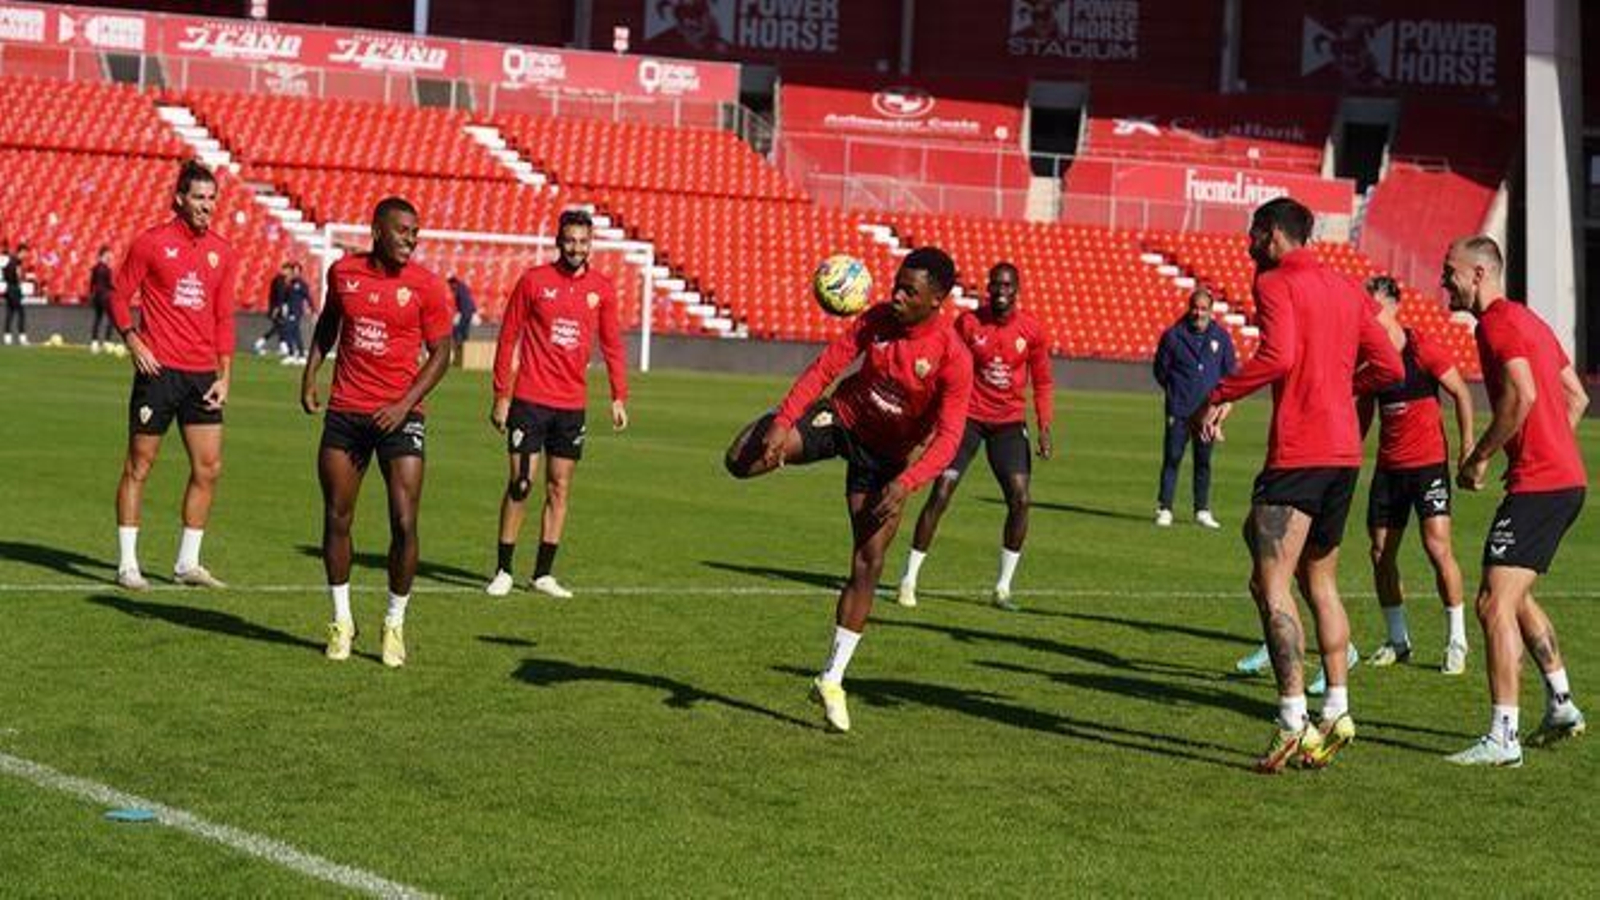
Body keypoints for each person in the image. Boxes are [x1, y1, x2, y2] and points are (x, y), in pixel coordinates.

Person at [1191, 198, 1403, 773]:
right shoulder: (1346, 288)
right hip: (1343, 454)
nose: (1247, 245)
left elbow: (1279, 355)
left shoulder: (1275, 281)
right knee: (1318, 580)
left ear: (1272, 234)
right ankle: (1337, 710)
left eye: (1252, 234)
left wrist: (1220, 393)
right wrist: (1337, 385)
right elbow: (1390, 367)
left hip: (1300, 452)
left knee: (1272, 584)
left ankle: (1291, 720)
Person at [724, 247, 973, 733]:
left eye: (909, 291)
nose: (896, 296)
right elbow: (825, 367)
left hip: (886, 462)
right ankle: (781, 440)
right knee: (740, 459)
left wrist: (906, 483)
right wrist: (783, 421)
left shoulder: (952, 357)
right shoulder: (876, 320)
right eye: (896, 285)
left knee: (869, 562)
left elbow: (948, 439)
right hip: (841, 420)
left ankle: (831, 678)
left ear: (936, 300)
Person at [1441, 236, 1588, 767]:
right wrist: (1546, 448)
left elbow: (1523, 394)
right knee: (1516, 596)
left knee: (1491, 603)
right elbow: (1577, 397)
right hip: (1562, 481)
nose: (1444, 282)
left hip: (1541, 485)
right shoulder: (1532, 321)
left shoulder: (1497, 323)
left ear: (1479, 274)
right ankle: (1562, 702)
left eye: (1450, 271)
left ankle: (1503, 737)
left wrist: (1480, 456)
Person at [302, 197, 454, 669]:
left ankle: (394, 623)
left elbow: (442, 352)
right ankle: (341, 620)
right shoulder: (343, 273)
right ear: (377, 230)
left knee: (405, 522)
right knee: (337, 517)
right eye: (403, 230)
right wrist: (310, 374)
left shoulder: (427, 286)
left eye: (415, 231)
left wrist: (404, 404)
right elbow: (328, 324)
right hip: (347, 412)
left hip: (401, 417)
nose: (412, 238)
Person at [108, 160, 240, 590]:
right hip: (159, 372)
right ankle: (128, 564)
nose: (207, 205)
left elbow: (224, 317)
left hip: (202, 376)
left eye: (212, 198)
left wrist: (225, 374)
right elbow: (118, 295)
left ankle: (187, 563)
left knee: (209, 467)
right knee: (139, 465)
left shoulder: (223, 252)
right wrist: (133, 340)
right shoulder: (151, 243)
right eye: (199, 197)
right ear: (180, 199)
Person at [485, 210, 629, 599]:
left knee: (559, 487)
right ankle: (503, 570)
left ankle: (543, 574)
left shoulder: (602, 289)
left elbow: (612, 344)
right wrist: (501, 394)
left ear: (591, 244)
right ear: (558, 242)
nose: (576, 248)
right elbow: (508, 336)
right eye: (570, 240)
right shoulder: (534, 281)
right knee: (521, 483)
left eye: (583, 241)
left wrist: (618, 395)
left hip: (571, 405)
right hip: (529, 400)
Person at [895, 262, 1052, 612]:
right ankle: (908, 579)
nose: (1000, 291)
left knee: (1021, 499)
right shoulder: (968, 323)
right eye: (995, 284)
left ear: (1016, 290)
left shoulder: (1032, 330)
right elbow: (945, 366)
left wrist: (1044, 426)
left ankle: (1002, 588)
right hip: (966, 419)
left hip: (1009, 423)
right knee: (941, 491)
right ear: (988, 288)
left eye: (1007, 285)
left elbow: (1042, 380)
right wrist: (932, 416)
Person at [1356, 275, 1474, 674]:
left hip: (1428, 466)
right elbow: (1364, 410)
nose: (1368, 315)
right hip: (1389, 469)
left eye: (1374, 306)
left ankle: (1457, 641)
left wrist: (1467, 448)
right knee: (1380, 553)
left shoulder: (1422, 347)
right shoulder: (1369, 356)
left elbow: (1461, 393)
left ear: (1394, 306)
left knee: (1437, 549)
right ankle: (1397, 640)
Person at [1152, 287, 1236, 528]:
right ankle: (1165, 507)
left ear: (1211, 311)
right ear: (1190, 308)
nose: (1199, 313)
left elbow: (1229, 372)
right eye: (1195, 308)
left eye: (1203, 309)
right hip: (1179, 409)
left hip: (1207, 412)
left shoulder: (1221, 337)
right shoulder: (1173, 336)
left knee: (1203, 460)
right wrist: (1175, 391)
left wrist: (1220, 405)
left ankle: (1202, 509)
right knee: (1172, 457)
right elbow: (1161, 371)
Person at [256, 261, 291, 355]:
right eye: (287, 270)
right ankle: (260, 343)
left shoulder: (282, 280)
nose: (288, 272)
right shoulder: (279, 280)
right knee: (278, 327)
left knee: (280, 327)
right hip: (277, 307)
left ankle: (283, 347)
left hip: (279, 307)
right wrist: (277, 308)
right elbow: (279, 295)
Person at [280, 261, 310, 364]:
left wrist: (311, 308)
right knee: (296, 333)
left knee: (288, 331)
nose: (295, 272)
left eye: (297, 270)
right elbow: (285, 297)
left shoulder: (302, 284)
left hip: (296, 312)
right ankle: (300, 355)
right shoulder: (289, 283)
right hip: (289, 311)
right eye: (294, 270)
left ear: (300, 272)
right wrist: (284, 307)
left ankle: (292, 354)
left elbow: (307, 297)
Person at [88, 245, 116, 353]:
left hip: (97, 296)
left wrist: (91, 295)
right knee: (112, 318)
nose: (110, 256)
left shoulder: (95, 268)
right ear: (104, 254)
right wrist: (115, 290)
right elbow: (108, 284)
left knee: (98, 319)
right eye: (109, 253)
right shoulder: (107, 269)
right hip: (104, 296)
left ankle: (94, 343)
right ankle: (107, 342)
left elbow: (92, 284)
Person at [4, 242, 30, 346]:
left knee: (10, 313)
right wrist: (21, 283)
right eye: (25, 252)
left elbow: (6, 273)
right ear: (21, 251)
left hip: (8, 288)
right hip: (14, 289)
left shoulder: (10, 260)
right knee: (21, 313)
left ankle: (7, 337)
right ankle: (22, 337)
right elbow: (18, 275)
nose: (26, 255)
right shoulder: (17, 261)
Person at [449, 274, 476, 346]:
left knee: (460, 327)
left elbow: (461, 301)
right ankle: (463, 342)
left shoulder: (460, 289)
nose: (450, 288)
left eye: (451, 285)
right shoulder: (462, 287)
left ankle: (460, 342)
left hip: (466, 311)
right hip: (468, 310)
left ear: (454, 283)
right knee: (464, 327)